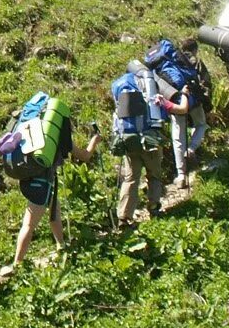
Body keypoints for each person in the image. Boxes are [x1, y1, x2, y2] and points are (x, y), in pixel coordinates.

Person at [9, 122, 101, 271]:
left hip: (28, 180)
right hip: (42, 184)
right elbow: (85, 156)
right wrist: (94, 141)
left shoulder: (38, 131)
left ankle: (61, 245)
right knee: (28, 225)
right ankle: (17, 264)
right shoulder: (60, 138)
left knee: (54, 210)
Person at [111, 64, 167, 227]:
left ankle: (124, 216)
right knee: (154, 175)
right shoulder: (147, 83)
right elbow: (157, 111)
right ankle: (154, 208)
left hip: (128, 139)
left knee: (131, 178)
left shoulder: (118, 85)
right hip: (149, 138)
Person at [159, 38, 211, 188]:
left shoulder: (168, 62)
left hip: (174, 98)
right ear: (195, 49)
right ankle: (191, 149)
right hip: (192, 98)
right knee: (201, 124)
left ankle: (180, 175)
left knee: (178, 137)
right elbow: (205, 82)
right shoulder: (193, 61)